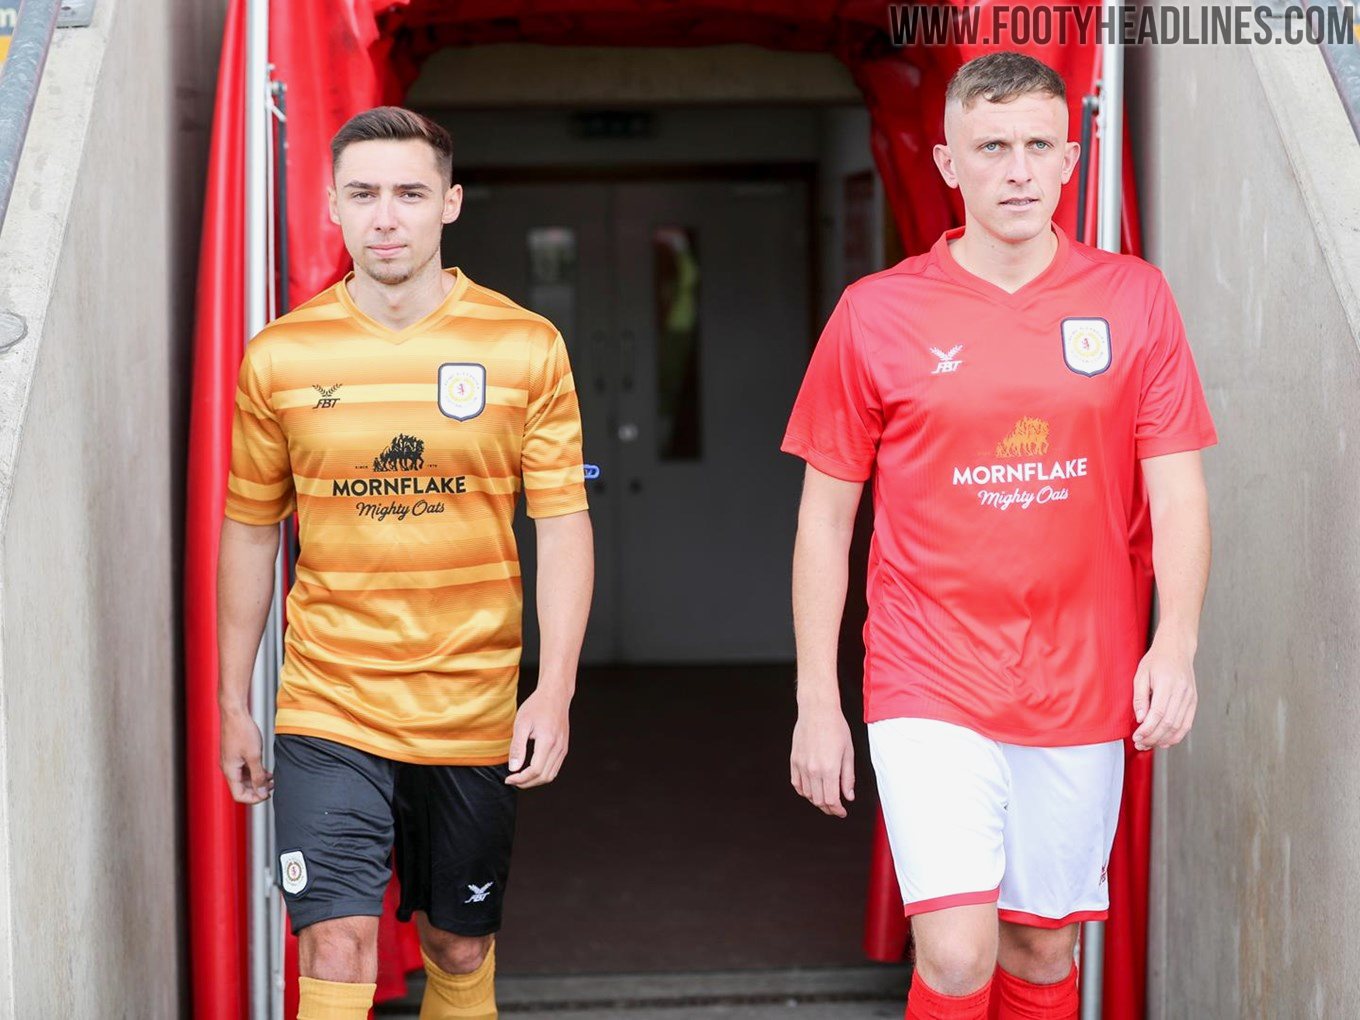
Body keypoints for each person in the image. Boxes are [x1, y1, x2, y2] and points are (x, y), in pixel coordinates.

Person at [782, 52, 1215, 1020]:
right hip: (925, 673)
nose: (1016, 170)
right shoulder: (875, 315)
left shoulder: (1134, 299)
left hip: (1081, 675)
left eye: (1035, 147)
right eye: (991, 148)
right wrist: (818, 698)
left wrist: (1173, 644)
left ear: (1070, 159)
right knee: (956, 946)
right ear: (945, 162)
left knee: (1039, 941)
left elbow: (1179, 491)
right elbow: (823, 517)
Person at [217, 106, 594, 1020]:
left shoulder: (526, 346)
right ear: (334, 208)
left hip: (470, 707)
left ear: (450, 204)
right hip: (329, 702)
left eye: (410, 193)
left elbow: (565, 524)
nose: (386, 216)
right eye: (364, 193)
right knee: (337, 945)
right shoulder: (279, 356)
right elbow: (251, 528)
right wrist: (235, 699)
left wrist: (556, 691)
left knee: (456, 945)